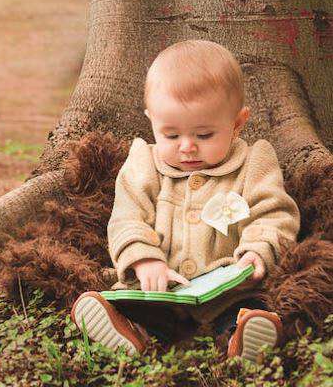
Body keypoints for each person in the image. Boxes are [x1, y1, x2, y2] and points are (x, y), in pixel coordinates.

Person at [70, 40, 300, 363]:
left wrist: (258, 249)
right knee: (139, 306)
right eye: (171, 135)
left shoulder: (253, 162)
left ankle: (241, 338)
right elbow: (126, 217)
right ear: (151, 120)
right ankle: (130, 331)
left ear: (237, 123)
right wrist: (144, 259)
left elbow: (273, 213)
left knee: (249, 309)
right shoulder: (144, 163)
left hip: (228, 291)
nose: (187, 147)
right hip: (159, 291)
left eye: (204, 135)